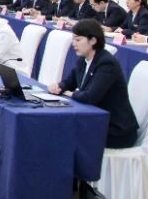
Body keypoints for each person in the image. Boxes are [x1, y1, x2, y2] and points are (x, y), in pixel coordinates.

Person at [48, 19, 138, 149]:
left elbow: (90, 97)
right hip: (96, 121)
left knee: (66, 133)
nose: (73, 44)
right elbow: (69, 82)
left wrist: (70, 94)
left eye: (78, 40)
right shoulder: (83, 60)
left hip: (116, 130)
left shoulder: (107, 64)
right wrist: (59, 87)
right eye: (73, 40)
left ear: (93, 40)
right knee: (59, 128)